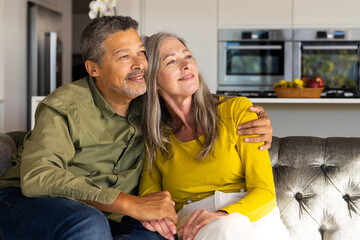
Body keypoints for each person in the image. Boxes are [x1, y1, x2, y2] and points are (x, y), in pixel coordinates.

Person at [0, 17, 272, 240]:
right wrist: (127, 203)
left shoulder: (149, 103)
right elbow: (39, 176)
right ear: (93, 68)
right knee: (88, 224)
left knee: (157, 235)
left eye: (141, 52)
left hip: (111, 215)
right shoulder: (64, 105)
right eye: (123, 56)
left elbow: (193, 99)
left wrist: (254, 118)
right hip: (28, 202)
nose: (139, 63)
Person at [138, 32, 289, 240]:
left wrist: (222, 215)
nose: (185, 65)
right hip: (197, 228)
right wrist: (155, 217)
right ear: (153, 80)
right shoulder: (155, 139)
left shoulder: (237, 111)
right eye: (171, 61)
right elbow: (150, 200)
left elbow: (265, 192)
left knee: (231, 226)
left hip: (256, 219)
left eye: (188, 56)